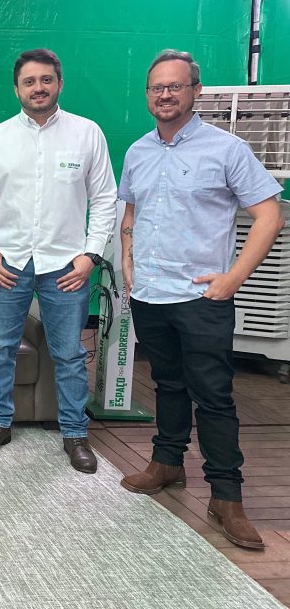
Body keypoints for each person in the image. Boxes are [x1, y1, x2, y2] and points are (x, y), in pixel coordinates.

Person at [118, 49, 284, 549]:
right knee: (167, 384)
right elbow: (132, 214)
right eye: (157, 88)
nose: (165, 95)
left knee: (213, 395)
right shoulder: (138, 151)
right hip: (150, 293)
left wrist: (234, 278)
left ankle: (226, 497)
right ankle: (167, 463)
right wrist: (128, 260)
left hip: (201, 296)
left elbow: (270, 215)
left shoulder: (227, 149)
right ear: (147, 95)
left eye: (175, 86)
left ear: (196, 91)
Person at [0, 48, 117, 473]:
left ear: (60, 83)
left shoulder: (87, 134)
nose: (38, 88)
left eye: (46, 79)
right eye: (29, 81)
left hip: (66, 266)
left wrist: (91, 255)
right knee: (0, 348)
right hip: (6, 265)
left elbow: (105, 199)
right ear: (17, 89)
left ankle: (75, 434)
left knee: (69, 353)